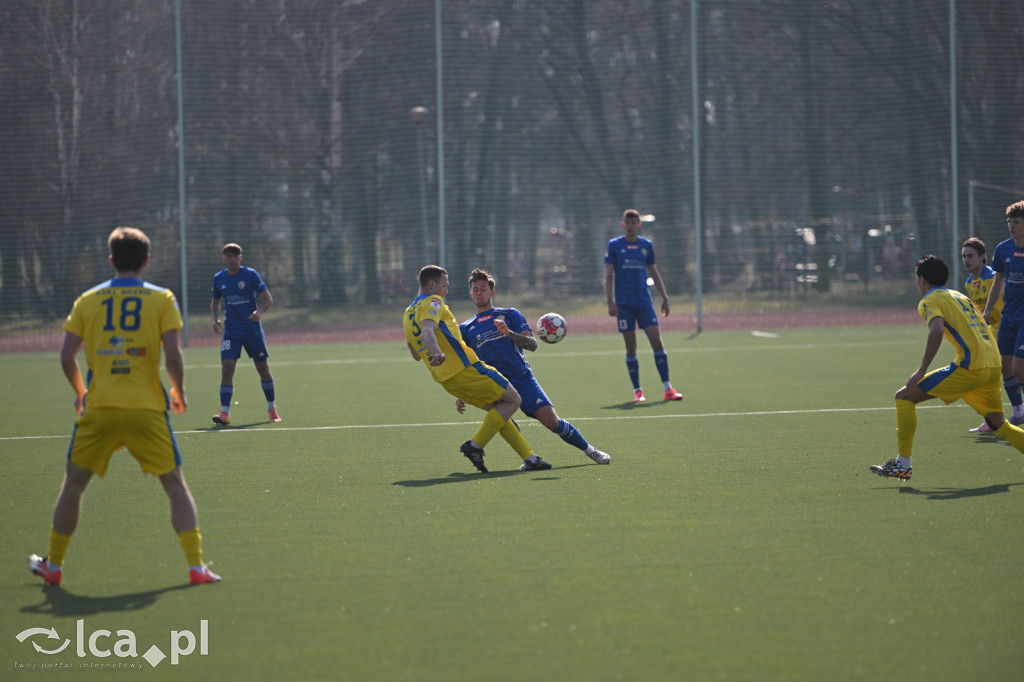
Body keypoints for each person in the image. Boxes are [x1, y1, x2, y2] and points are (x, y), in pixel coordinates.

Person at [29, 227, 220, 586]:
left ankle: (53, 567)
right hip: (147, 410)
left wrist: (82, 391)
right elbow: (174, 357)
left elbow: (66, 356)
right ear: (147, 261)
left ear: (112, 260)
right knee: (175, 484)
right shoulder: (162, 299)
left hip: (99, 409)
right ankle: (196, 567)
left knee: (73, 484)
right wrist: (178, 391)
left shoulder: (88, 300)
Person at [870, 254, 1024, 481]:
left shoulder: (929, 301)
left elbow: (937, 330)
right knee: (998, 424)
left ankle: (902, 465)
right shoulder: (959, 296)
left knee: (904, 397)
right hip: (992, 365)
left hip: (971, 366)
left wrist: (922, 369)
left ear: (922, 280)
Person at [457, 268, 611, 465]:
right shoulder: (466, 327)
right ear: (470, 294)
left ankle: (591, 451)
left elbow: (532, 344)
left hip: (521, 378)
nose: (479, 293)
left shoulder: (509, 314)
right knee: (505, 422)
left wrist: (509, 333)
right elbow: (468, 362)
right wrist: (462, 393)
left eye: (483, 289)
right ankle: (528, 458)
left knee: (551, 421)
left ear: (492, 292)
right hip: (494, 383)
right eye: (475, 290)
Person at [404, 265, 549, 472]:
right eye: (444, 285)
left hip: (444, 379)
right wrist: (437, 352)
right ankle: (475, 445)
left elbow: (415, 354)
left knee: (497, 410)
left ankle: (531, 459)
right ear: (432, 284)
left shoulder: (408, 312)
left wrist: (431, 353)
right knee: (514, 399)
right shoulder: (433, 301)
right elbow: (428, 329)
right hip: (465, 368)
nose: (446, 290)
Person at [604, 209, 684, 402]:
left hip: (644, 303)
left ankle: (668, 389)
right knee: (631, 347)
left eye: (634, 223)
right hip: (624, 305)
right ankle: (638, 391)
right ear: (623, 225)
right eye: (627, 223)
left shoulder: (646, 245)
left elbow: (654, 272)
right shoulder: (614, 245)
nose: (631, 226)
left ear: (639, 225)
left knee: (657, 342)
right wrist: (610, 302)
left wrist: (664, 297)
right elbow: (608, 276)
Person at [210, 243, 281, 424]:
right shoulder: (219, 278)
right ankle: (224, 413)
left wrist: (259, 312)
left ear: (240, 257)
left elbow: (267, 298)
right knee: (227, 369)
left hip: (252, 331)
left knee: (263, 369)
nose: (232, 259)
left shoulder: (250, 275)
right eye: (228, 256)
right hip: (232, 332)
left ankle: (272, 408)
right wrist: (215, 318)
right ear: (223, 258)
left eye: (235, 256)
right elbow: (216, 301)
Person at [961, 237, 1021, 432]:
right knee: (998, 373)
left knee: (1004, 371)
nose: (966, 260)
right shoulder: (970, 283)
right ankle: (1003, 416)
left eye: (970, 256)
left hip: (1010, 328)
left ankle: (1000, 417)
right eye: (964, 256)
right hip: (991, 334)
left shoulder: (995, 278)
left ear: (982, 257)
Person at [981, 202, 1024, 430]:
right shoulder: (1003, 249)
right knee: (1005, 368)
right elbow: (998, 281)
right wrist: (987, 311)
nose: (1011, 226)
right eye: (1009, 222)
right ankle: (1018, 411)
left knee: (1019, 369)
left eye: (1016, 222)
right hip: (1008, 317)